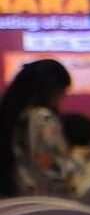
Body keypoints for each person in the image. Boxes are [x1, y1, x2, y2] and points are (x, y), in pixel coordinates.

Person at [0, 58, 79, 198]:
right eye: (62, 91)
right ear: (51, 89)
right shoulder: (43, 118)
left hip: (16, 198)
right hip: (45, 200)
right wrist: (79, 159)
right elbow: (56, 169)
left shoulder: (14, 117)